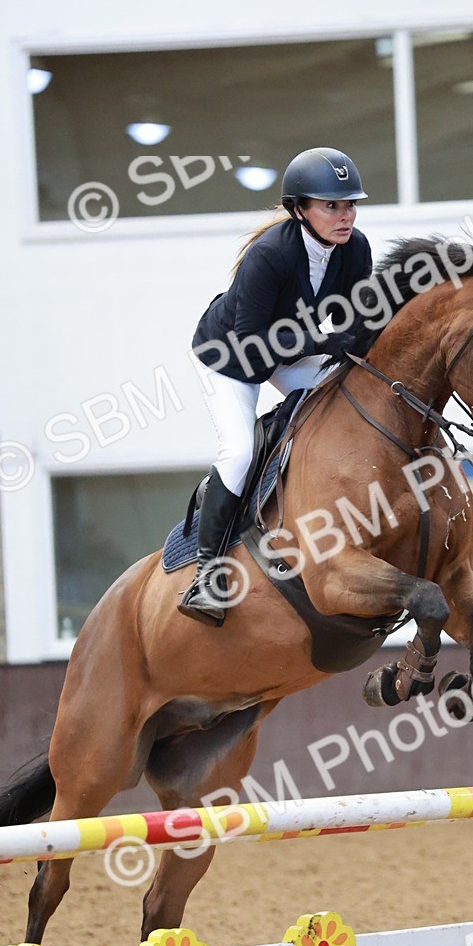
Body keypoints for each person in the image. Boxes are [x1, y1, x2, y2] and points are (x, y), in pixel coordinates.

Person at [179, 147, 372, 625]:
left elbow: (361, 319)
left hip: (285, 346)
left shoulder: (355, 249)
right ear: (299, 210)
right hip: (231, 356)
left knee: (346, 401)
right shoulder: (269, 255)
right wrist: (324, 340)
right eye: (332, 206)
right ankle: (207, 574)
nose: (345, 215)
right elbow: (249, 342)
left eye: (350, 205)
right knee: (240, 451)